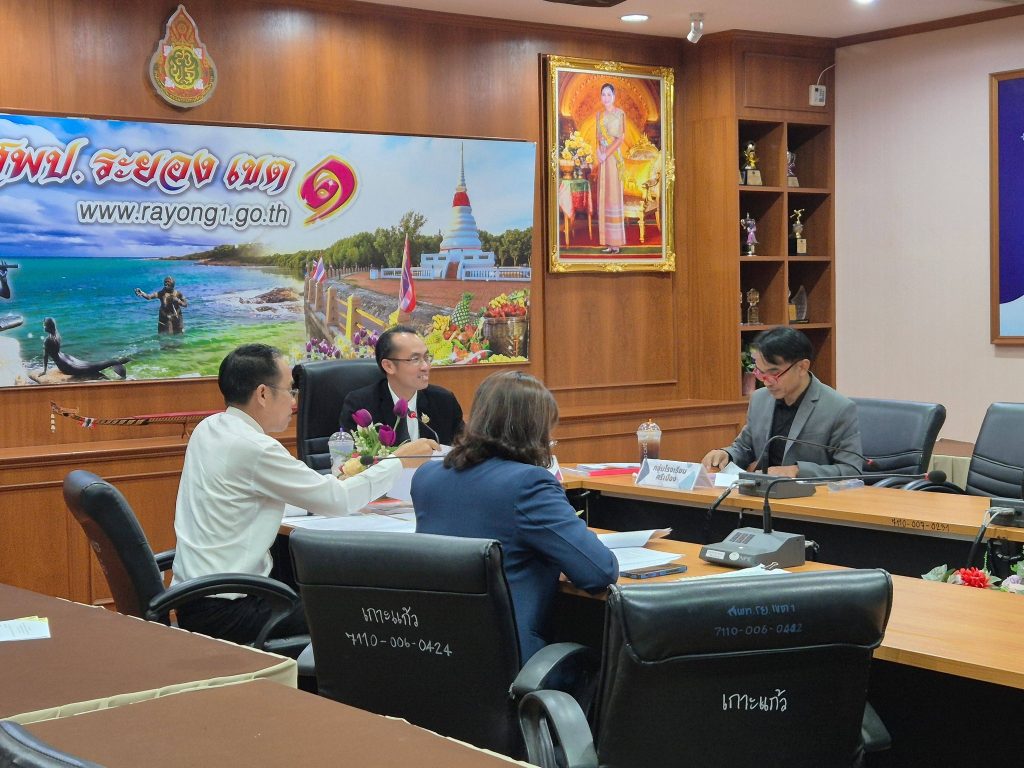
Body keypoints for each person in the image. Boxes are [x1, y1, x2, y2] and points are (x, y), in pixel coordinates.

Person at [172, 343, 438, 644]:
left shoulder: (210, 428)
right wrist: (398, 460)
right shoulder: (255, 448)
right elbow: (337, 500)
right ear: (263, 394)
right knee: (361, 612)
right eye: (290, 390)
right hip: (230, 610)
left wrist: (328, 488)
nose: (293, 401)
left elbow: (260, 497)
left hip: (193, 598)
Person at [412, 371, 618, 662]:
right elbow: (599, 571)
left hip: (437, 651)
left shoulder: (427, 476)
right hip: (513, 659)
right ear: (534, 431)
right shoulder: (529, 484)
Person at [701, 327, 862, 478]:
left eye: (774, 373)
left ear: (802, 367)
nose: (767, 382)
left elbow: (851, 470)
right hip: (760, 490)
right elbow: (745, 447)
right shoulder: (759, 399)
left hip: (811, 494)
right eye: (760, 373)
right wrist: (726, 454)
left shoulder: (838, 408)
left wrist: (796, 471)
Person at [340, 324, 464, 445]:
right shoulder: (361, 406)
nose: (426, 366)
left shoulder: (444, 402)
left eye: (426, 357)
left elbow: (464, 450)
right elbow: (352, 456)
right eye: (415, 359)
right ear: (389, 366)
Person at [42, 317, 128, 379]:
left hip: (64, 365)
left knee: (90, 367)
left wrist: (44, 371)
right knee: (91, 366)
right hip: (67, 358)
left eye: (44, 325)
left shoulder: (48, 340)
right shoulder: (57, 335)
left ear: (48, 327)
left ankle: (116, 364)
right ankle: (117, 363)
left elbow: (45, 356)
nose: (44, 327)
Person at [595, 82, 626, 254]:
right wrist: (599, 153)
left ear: (614, 96)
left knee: (613, 196)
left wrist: (606, 154)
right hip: (603, 160)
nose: (606, 97)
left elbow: (620, 139)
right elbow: (598, 137)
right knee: (604, 197)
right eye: (603, 94)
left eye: (609, 94)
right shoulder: (599, 115)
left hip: (614, 159)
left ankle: (616, 243)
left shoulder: (620, 114)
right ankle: (607, 242)